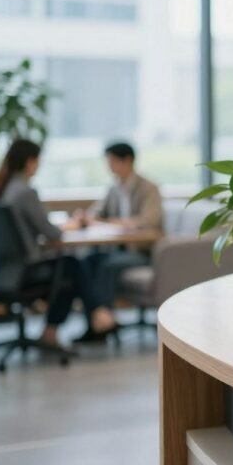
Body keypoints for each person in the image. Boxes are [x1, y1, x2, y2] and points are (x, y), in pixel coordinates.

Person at [0, 139, 91, 348]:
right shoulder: (25, 192)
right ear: (30, 162)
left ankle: (88, 318)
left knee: (68, 269)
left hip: (0, 274)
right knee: (71, 266)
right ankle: (58, 328)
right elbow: (51, 233)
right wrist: (70, 225)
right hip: (23, 274)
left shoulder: (0, 190)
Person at [74, 142, 163, 342]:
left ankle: (102, 327)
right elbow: (98, 212)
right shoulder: (115, 188)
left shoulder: (148, 188)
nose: (109, 167)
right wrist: (87, 217)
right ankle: (97, 320)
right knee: (86, 261)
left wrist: (111, 222)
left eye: (113, 161)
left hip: (142, 252)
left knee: (107, 266)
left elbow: (149, 221)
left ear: (128, 161)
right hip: (117, 249)